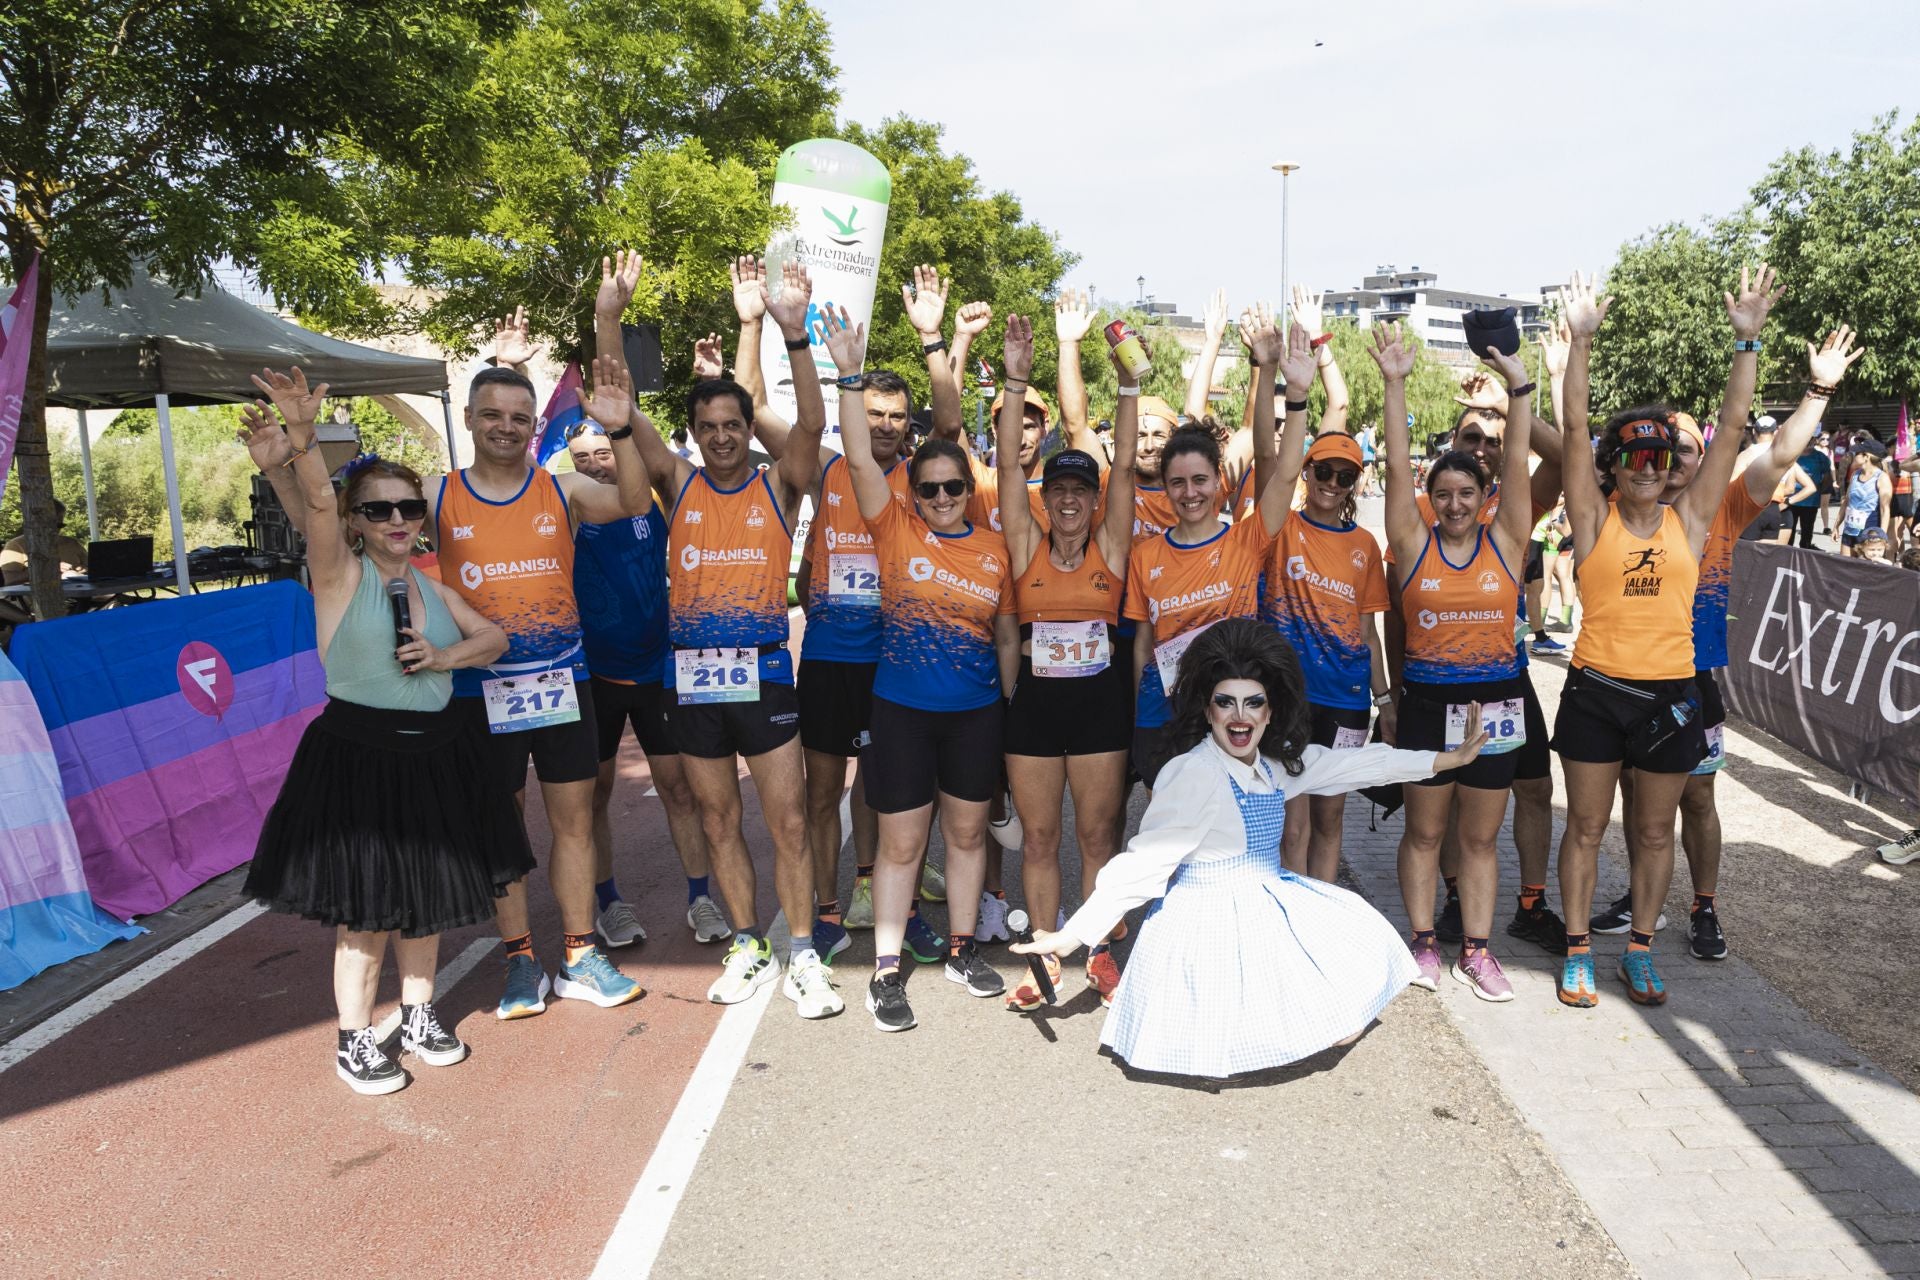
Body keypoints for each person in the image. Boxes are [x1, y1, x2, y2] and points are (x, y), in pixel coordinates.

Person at [1011, 619, 1488, 1079]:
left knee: (1341, 996)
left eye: (1253, 703)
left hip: (1264, 897)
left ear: (1270, 709)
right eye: (1226, 703)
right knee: (1219, 1032)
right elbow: (1143, 864)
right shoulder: (1193, 774)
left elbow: (1357, 765)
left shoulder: (1276, 764)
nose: (1240, 717)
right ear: (1207, 709)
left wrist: (1448, 759)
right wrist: (1070, 936)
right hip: (1206, 917)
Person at [237, 370, 534, 1095]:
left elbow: (494, 638)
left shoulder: (436, 589)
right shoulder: (339, 574)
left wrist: (443, 655)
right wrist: (304, 444)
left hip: (432, 757)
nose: (397, 519)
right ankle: (353, 1040)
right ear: (359, 521)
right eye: (379, 510)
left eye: (408, 508)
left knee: (425, 901)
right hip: (359, 758)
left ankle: (421, 1013)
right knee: (366, 913)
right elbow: (314, 503)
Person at [601, 254, 838, 1018]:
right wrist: (610, 316)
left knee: (791, 820)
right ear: (695, 434)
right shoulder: (678, 480)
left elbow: (807, 423)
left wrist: (790, 334)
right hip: (691, 680)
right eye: (708, 427)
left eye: (734, 425)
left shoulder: (780, 484)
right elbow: (619, 401)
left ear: (746, 430)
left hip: (764, 672)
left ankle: (803, 951)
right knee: (715, 819)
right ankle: (748, 941)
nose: (723, 437)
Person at [1553, 264, 1778, 1009]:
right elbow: (1578, 423)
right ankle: (1579, 949)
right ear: (1614, 468)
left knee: (1654, 835)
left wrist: (1746, 341)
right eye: (1634, 455)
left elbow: (1733, 432)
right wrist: (1581, 344)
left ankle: (1640, 951)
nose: (1649, 466)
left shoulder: (1692, 518)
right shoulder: (1593, 520)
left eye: (1659, 456)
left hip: (1670, 698)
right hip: (1595, 693)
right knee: (1585, 827)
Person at [1599, 329, 1864, 961]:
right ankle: (1645, 903)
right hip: (1628, 676)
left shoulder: (1721, 506)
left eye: (1686, 450)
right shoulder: (1618, 504)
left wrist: (1820, 391)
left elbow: (1778, 452)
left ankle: (1704, 905)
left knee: (1696, 796)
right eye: (1663, 448)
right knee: (1636, 798)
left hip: (1692, 679)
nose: (1673, 459)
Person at [428, 291, 656, 1020]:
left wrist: (620, 431)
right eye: (491, 414)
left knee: (573, 822)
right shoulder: (438, 497)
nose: (504, 426)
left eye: (519, 418)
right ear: (468, 421)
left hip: (564, 682)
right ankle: (520, 958)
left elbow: (637, 501)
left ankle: (582, 954)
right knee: (503, 828)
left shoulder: (562, 491)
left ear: (535, 428)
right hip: (478, 693)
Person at [820, 304, 1017, 1033]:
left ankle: (964, 947)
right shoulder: (892, 524)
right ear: (913, 494)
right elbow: (859, 454)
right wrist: (846, 374)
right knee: (902, 844)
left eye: (952, 488)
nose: (939, 498)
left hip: (973, 715)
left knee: (966, 837)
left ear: (969, 490)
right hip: (899, 709)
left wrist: (1008, 704)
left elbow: (1003, 636)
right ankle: (886, 969)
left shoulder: (994, 549)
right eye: (928, 489)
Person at [767, 261, 957, 968]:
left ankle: (880, 893)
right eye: (872, 414)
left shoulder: (924, 477)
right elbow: (772, 414)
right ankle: (821, 906)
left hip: (892, 658)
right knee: (822, 793)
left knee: (888, 790)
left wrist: (933, 340)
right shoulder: (825, 466)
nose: (882, 426)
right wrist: (771, 328)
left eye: (893, 418)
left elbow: (951, 418)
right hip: (827, 659)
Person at [1373, 322, 1537, 1002]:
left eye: (1466, 493)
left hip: (1495, 704)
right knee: (1423, 831)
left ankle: (1477, 949)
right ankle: (1422, 941)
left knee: (1479, 839)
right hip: (1429, 704)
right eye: (1443, 494)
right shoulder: (1413, 543)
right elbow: (1395, 465)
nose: (1455, 503)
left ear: (1484, 495)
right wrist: (1394, 382)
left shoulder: (1508, 536)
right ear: (1429, 499)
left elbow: (1521, 454)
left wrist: (1519, 387)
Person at [995, 314, 1139, 1009]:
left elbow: (1125, 471)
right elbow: (1002, 465)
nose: (1073, 499)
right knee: (1043, 838)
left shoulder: (1113, 546)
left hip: (1099, 706)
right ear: (1045, 500)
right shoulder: (1024, 544)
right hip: (1037, 708)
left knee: (1098, 836)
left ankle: (1103, 955)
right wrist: (1016, 380)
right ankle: (1046, 957)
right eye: (1061, 491)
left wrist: (1130, 387)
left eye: (1083, 489)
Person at [565, 421, 729, 950]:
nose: (594, 463)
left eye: (604, 452)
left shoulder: (654, 503)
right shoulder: (569, 510)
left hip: (659, 668)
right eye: (582, 456)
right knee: (594, 795)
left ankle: (699, 897)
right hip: (594, 674)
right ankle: (609, 901)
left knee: (679, 788)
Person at [1254, 399, 1391, 887]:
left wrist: (1385, 700)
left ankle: (1324, 912)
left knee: (1331, 820)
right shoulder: (1277, 529)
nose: (1332, 484)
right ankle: (1293, 921)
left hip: (1348, 703)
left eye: (1344, 476)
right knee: (1296, 822)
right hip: (1289, 697)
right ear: (1307, 473)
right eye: (1324, 472)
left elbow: (1369, 632)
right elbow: (1269, 463)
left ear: (1355, 483)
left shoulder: (1365, 548)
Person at [1841, 447, 1892, 556]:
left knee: (1865, 570)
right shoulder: (1855, 474)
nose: (1854, 456)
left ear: (1866, 457)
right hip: (1850, 528)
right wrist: (1836, 525)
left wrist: (1882, 535)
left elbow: (1885, 509)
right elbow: (1846, 501)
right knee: (1844, 566)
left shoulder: (1881, 477)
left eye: (1857, 453)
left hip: (1870, 529)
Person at [1789, 428, 1830, 548]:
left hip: (1810, 502)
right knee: (1788, 533)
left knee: (1806, 533)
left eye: (1811, 439)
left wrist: (1823, 494)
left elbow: (1827, 477)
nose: (1808, 441)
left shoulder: (1821, 457)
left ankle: (1804, 557)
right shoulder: (1791, 455)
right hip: (1791, 500)